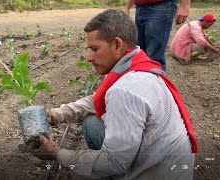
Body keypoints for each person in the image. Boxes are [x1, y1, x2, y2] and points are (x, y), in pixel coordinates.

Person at [33, 9, 197, 179]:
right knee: (92, 123)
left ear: (117, 45)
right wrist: (56, 114)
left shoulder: (125, 90)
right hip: (172, 168)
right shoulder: (140, 67)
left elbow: (113, 164)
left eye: (94, 49)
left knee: (104, 152)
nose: (88, 57)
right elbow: (97, 100)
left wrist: (57, 154)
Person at [124, 0, 190, 71]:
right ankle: (144, 79)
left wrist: (184, 5)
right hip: (140, 7)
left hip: (161, 6)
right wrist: (128, 6)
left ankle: (154, 81)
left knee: (154, 56)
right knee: (140, 53)